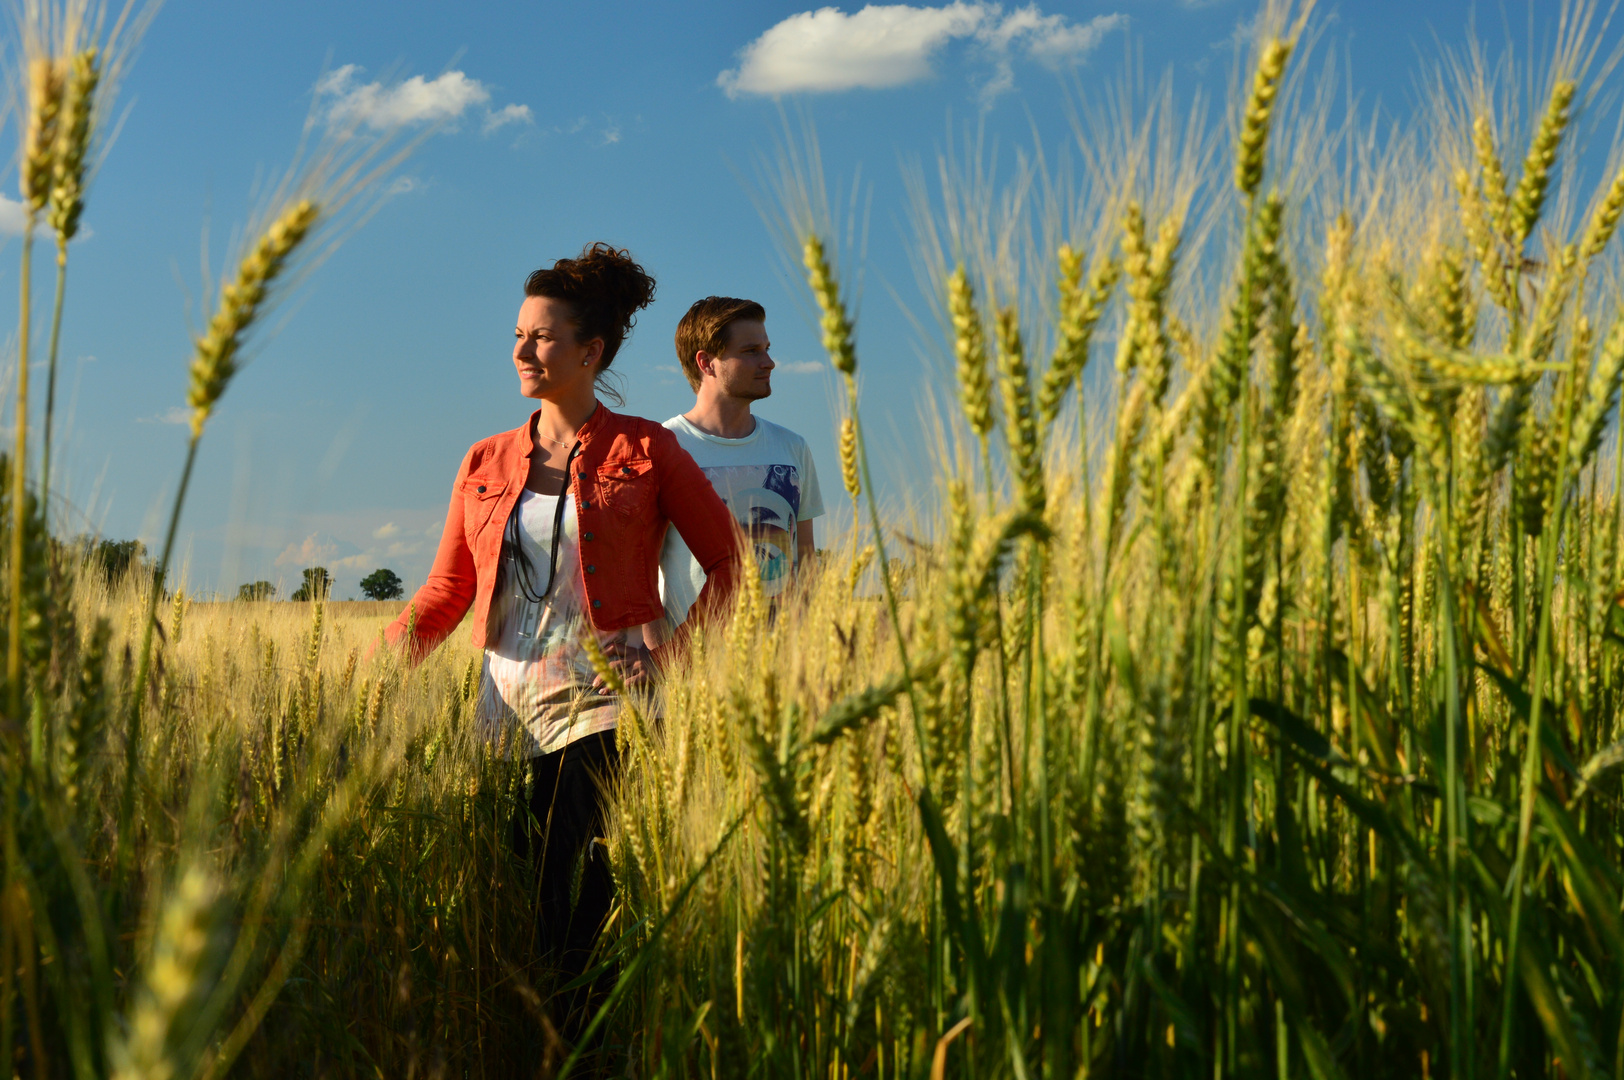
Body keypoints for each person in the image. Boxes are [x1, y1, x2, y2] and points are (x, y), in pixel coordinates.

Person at [385, 244, 741, 1028]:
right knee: (522, 882)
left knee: (569, 895)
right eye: (518, 334)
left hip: (599, 706)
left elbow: (728, 564)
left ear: (592, 352)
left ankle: (579, 1045)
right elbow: (448, 591)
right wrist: (376, 667)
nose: (521, 350)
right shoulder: (485, 459)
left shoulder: (646, 449)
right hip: (502, 709)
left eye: (542, 337)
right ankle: (553, 1039)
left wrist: (664, 656)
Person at [658, 297, 823, 628]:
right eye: (751, 351)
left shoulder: (792, 447)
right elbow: (640, 569)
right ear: (707, 363)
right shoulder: (661, 448)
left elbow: (806, 560)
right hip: (694, 665)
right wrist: (656, 654)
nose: (770, 362)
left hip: (782, 666)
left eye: (767, 348)